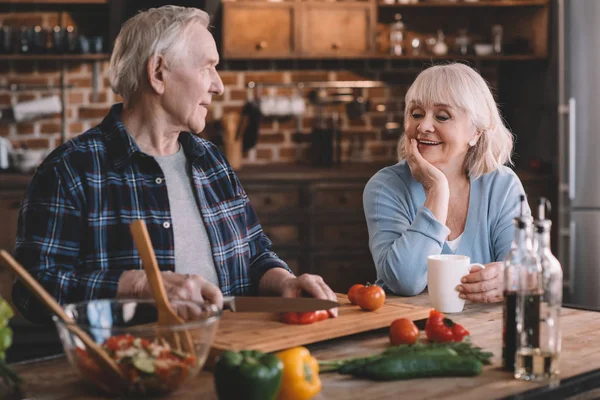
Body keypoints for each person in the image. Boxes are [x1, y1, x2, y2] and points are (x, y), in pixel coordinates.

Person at [12, 5, 337, 324]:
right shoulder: (69, 171)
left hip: (230, 360)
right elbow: (34, 291)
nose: (219, 85)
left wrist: (283, 282)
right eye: (206, 67)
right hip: (130, 368)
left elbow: (254, 251)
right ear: (158, 73)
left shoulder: (211, 162)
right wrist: (139, 286)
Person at [363, 63, 529, 303]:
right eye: (416, 114)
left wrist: (511, 276)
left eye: (442, 116)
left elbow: (532, 267)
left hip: (488, 330)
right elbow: (404, 281)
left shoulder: (502, 186)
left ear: (476, 133)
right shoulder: (385, 187)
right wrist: (437, 190)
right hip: (413, 331)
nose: (423, 126)